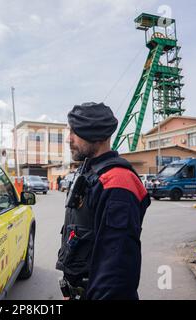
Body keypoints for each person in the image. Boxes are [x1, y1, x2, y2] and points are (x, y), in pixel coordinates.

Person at [56, 102, 150, 300]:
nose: (68, 139)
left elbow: (116, 267)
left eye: (75, 132)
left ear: (95, 135)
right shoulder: (88, 171)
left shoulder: (118, 181)